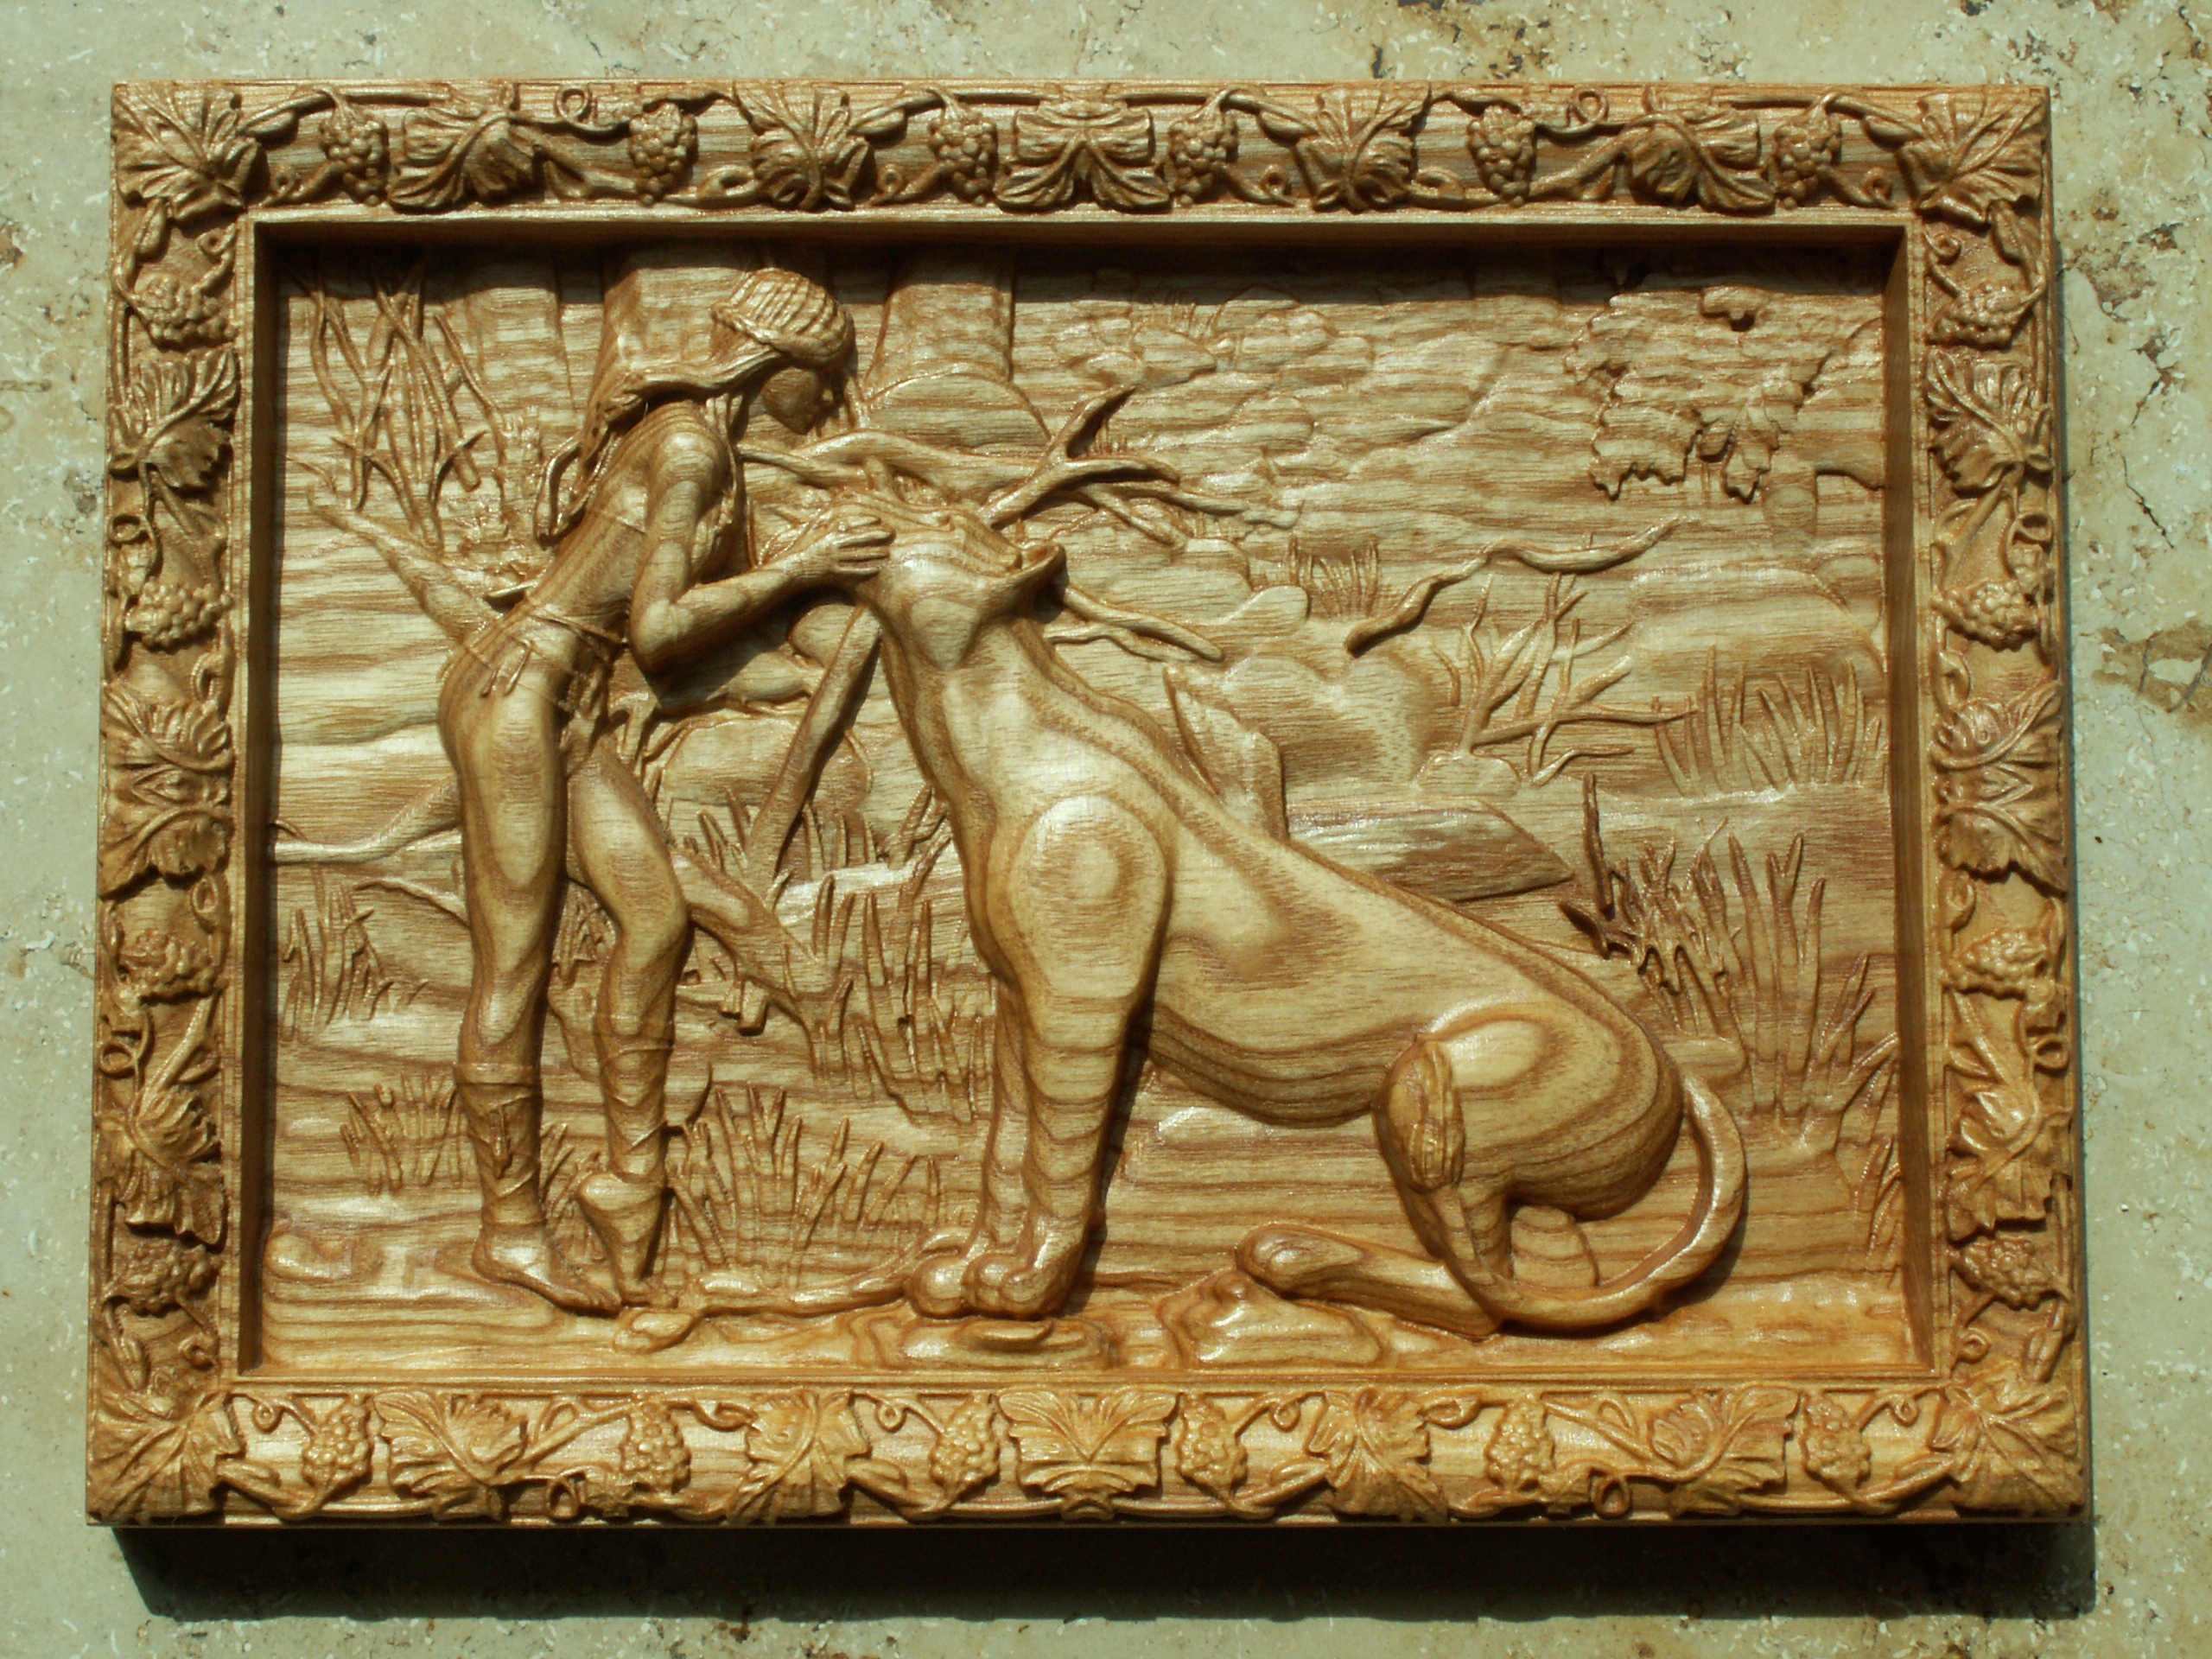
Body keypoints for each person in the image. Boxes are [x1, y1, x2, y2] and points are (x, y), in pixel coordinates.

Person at [438, 266, 886, 1313]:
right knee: (513, 962)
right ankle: (509, 1231)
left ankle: (629, 1180)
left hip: (565, 707)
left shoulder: (707, 449)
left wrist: (800, 635)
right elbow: (659, 630)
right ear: (772, 366)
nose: (831, 400)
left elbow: (670, 650)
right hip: (518, 698)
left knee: (653, 917)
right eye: (822, 376)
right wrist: (804, 570)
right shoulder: (689, 449)